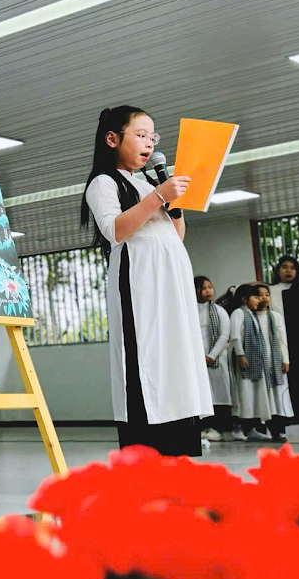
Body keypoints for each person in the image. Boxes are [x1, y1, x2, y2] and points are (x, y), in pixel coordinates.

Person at [79, 105, 212, 456]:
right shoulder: (104, 182)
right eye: (140, 135)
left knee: (176, 359)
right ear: (112, 138)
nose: (149, 143)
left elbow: (175, 235)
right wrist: (158, 197)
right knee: (146, 359)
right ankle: (147, 454)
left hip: (170, 283)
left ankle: (178, 449)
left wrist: (173, 204)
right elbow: (115, 230)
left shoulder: (149, 182)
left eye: (152, 136)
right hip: (140, 284)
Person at [230, 283, 283, 440]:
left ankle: (255, 428)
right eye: (255, 296)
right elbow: (235, 336)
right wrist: (240, 354)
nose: (259, 300)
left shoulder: (251, 314)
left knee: (254, 396)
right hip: (244, 359)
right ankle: (244, 427)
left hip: (255, 361)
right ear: (245, 299)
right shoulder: (238, 313)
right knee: (244, 394)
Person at [195, 276, 233, 441]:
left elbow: (224, 336)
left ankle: (221, 429)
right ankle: (204, 428)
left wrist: (211, 356)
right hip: (197, 361)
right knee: (203, 395)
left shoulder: (219, 311)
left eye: (210, 287)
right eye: (204, 288)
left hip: (217, 360)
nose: (208, 291)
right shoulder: (189, 311)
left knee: (219, 393)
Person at [256, 283, 293, 437]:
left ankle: (281, 426)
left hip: (275, 361)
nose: (264, 298)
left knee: (279, 394)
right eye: (259, 295)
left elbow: (282, 340)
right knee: (266, 395)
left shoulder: (276, 317)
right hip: (260, 362)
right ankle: (266, 427)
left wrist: (286, 359)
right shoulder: (251, 317)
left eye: (267, 294)